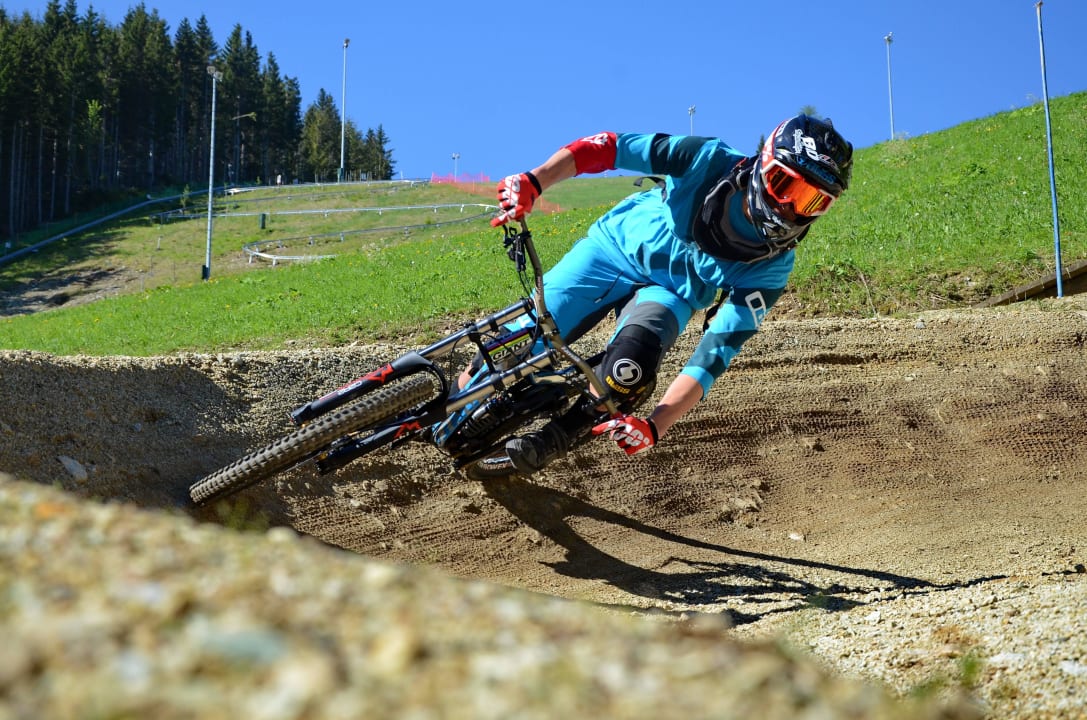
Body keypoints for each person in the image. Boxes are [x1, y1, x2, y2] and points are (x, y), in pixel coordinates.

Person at [488, 115, 853, 476]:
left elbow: (714, 354)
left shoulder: (771, 268)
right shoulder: (706, 158)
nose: (788, 207)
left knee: (628, 374)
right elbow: (609, 148)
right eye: (783, 184)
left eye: (809, 201)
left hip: (669, 294)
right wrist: (535, 181)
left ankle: (555, 437)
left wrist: (655, 426)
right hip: (612, 250)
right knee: (516, 346)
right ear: (763, 163)